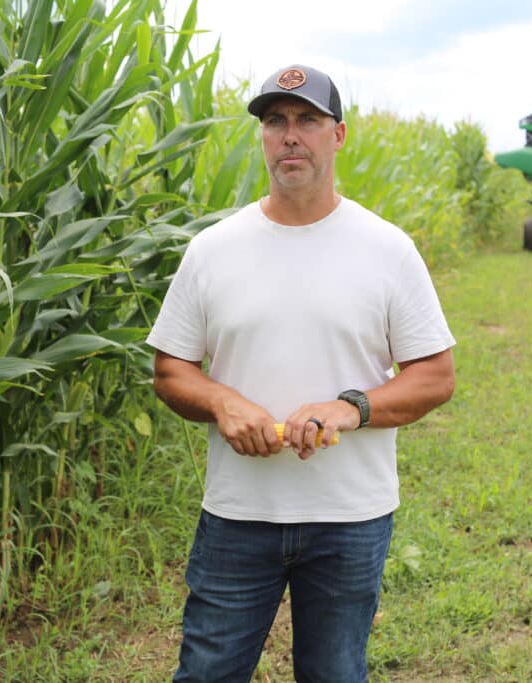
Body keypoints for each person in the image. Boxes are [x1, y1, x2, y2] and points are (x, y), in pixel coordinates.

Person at [145, 64, 457, 682]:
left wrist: (350, 407)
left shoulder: (386, 248)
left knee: (335, 675)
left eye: (308, 121)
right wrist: (223, 404)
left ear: (337, 135)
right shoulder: (213, 249)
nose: (291, 135)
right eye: (276, 122)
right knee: (206, 673)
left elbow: (436, 375)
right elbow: (170, 370)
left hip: (350, 517)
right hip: (238, 514)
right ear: (262, 137)